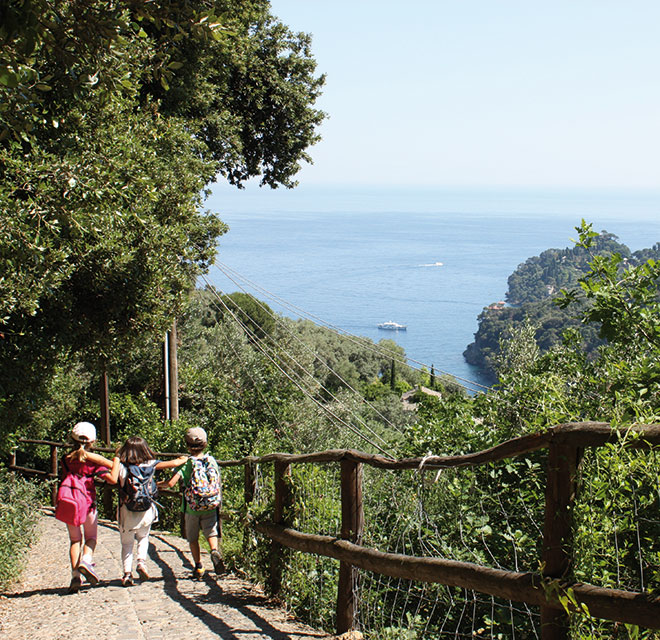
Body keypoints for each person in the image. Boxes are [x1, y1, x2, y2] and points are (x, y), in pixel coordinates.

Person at [104, 436, 187, 586]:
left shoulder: (123, 466)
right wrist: (184, 458)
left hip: (127, 510)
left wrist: (116, 457)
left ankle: (127, 574)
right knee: (143, 538)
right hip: (146, 509)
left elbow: (113, 476)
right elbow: (174, 463)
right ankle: (141, 563)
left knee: (127, 544)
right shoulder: (151, 464)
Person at [158, 427, 224, 579]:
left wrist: (156, 484)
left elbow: (170, 484)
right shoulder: (211, 461)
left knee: (193, 538)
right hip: (210, 505)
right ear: (205, 444)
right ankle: (214, 550)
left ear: (187, 445)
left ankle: (199, 566)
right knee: (211, 532)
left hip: (191, 508)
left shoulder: (186, 463)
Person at [57, 421, 114, 594]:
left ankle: (75, 575)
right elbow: (111, 478)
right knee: (91, 537)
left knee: (75, 540)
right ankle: (86, 560)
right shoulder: (94, 462)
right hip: (88, 503)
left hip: (70, 503)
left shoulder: (65, 459)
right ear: (93, 442)